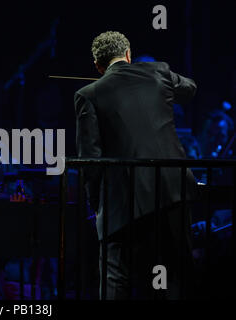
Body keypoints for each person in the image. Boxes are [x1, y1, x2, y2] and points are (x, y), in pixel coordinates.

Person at [75, 31, 198, 299]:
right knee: (177, 273)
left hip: (122, 200)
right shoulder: (158, 73)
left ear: (98, 66)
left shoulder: (88, 94)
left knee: (115, 278)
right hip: (171, 191)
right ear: (128, 55)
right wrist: (159, 77)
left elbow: (90, 158)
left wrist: (97, 203)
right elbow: (190, 88)